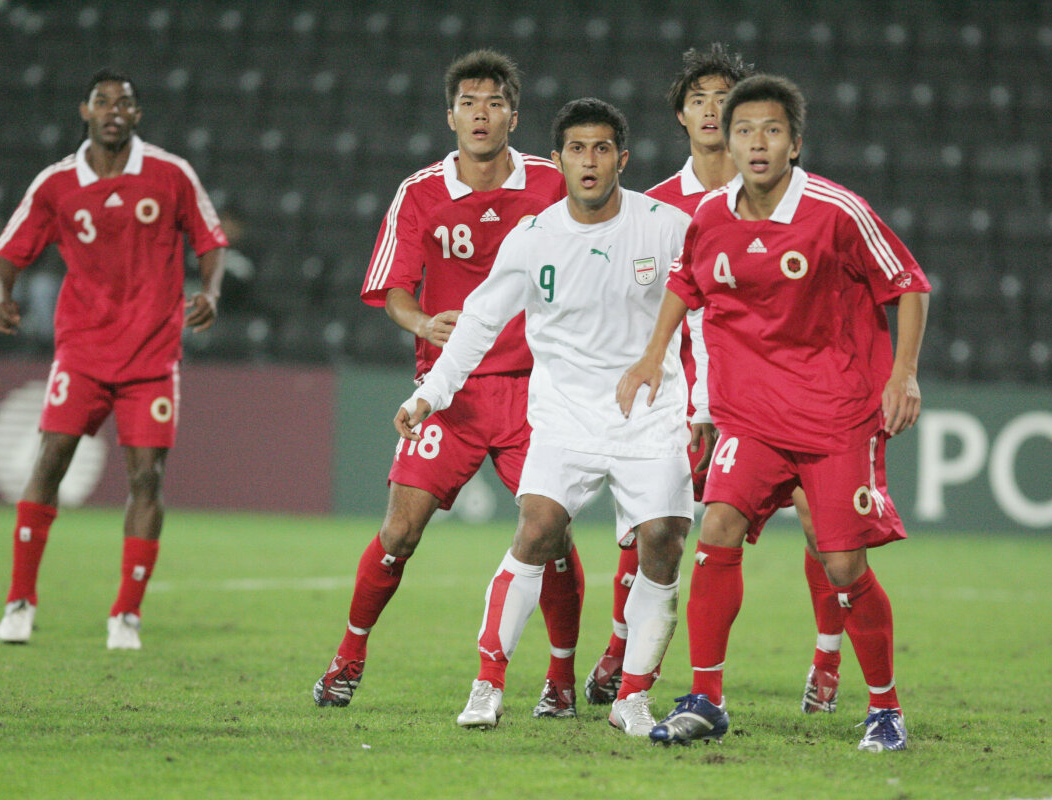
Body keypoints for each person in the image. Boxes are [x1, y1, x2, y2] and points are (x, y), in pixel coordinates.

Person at [619, 74, 929, 751]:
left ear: (795, 143)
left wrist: (902, 374)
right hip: (753, 417)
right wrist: (651, 356)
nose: (757, 143)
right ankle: (706, 698)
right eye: (745, 131)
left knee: (842, 566)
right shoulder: (710, 216)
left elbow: (908, 284)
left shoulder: (836, 211)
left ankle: (885, 709)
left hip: (835, 415)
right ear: (727, 143)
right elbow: (684, 282)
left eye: (772, 131)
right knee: (718, 528)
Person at [396, 98, 697, 736]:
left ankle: (632, 697)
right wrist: (432, 392)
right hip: (565, 416)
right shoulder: (533, 237)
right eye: (577, 149)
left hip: (650, 414)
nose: (590, 161)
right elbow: (479, 321)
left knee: (665, 541)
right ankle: (487, 683)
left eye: (602, 148)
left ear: (622, 158)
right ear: (557, 161)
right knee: (537, 529)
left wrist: (708, 403)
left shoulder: (666, 227)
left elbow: (705, 315)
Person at [312, 50, 586, 719]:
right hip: (450, 390)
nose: (481, 114)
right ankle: (347, 659)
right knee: (399, 531)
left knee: (551, 535)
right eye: (469, 103)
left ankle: (560, 678)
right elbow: (393, 288)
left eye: (494, 102)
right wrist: (421, 322)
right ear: (451, 116)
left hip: (535, 390)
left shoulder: (552, 184)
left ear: (514, 116)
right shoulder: (420, 193)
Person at [585, 44, 849, 718]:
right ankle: (621, 650)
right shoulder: (651, 207)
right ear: (681, 114)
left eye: (722, 98)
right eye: (697, 98)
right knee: (651, 526)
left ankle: (826, 659)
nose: (710, 109)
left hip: (776, 392)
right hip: (678, 398)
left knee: (820, 525)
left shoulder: (789, 198)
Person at [0, 69, 228, 650]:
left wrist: (211, 292)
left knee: (147, 478)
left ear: (137, 115)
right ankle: (19, 600)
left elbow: (210, 239)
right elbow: (10, 247)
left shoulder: (171, 174)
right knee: (50, 462)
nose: (113, 110)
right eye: (102, 101)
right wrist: (3, 295)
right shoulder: (56, 184)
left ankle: (126, 613)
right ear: (85, 111)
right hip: (82, 351)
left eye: (124, 102)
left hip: (152, 355)